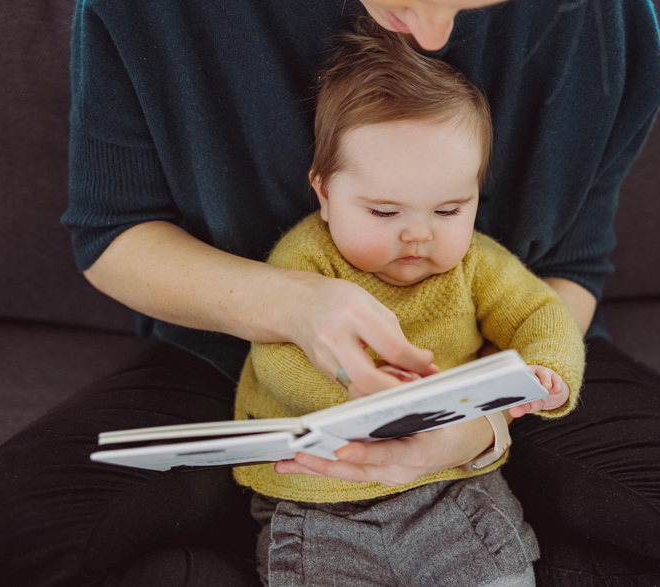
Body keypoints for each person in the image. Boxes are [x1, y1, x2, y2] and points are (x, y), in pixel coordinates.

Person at [0, 1, 660, 586]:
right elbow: (112, 233)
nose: (437, 36)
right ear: (321, 191)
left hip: (492, 372)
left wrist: (485, 418)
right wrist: (295, 305)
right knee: (9, 534)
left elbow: (568, 273)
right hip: (226, 364)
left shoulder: (600, 23)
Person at [236, 21, 584, 585]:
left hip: (448, 487)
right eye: (384, 212)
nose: (417, 235)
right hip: (319, 497)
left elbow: (540, 312)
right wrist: (366, 401)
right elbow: (278, 357)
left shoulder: (477, 264)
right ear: (324, 193)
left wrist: (550, 370)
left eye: (448, 211)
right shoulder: (305, 262)